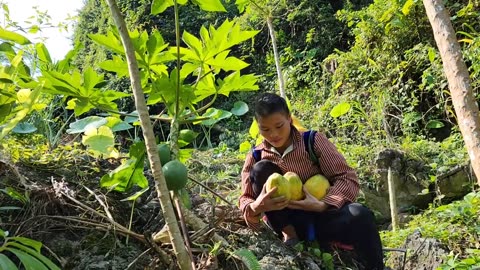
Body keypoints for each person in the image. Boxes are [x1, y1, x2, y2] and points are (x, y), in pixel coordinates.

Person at [239, 93, 385, 269]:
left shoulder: (312, 141)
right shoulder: (256, 154)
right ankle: (290, 236)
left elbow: (346, 178)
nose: (274, 134)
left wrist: (323, 204)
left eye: (279, 126)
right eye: (265, 129)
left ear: (289, 119)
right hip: (286, 220)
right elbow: (245, 198)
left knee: (360, 214)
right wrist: (257, 207)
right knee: (261, 169)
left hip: (322, 218)